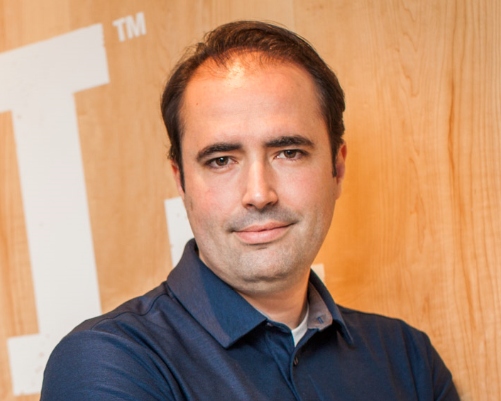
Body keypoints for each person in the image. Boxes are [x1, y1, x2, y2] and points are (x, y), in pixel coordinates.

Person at [41, 21, 459, 400]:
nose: (259, 194)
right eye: (221, 160)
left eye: (289, 152)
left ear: (337, 168)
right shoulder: (111, 361)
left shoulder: (407, 360)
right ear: (181, 181)